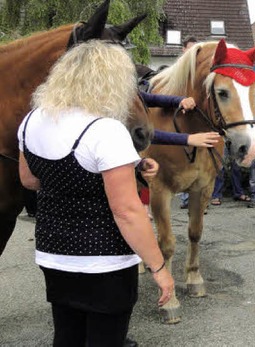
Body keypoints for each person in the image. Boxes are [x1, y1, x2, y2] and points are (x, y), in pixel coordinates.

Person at [17, 40, 174, 347]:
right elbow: (127, 212)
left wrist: (131, 168)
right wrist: (159, 267)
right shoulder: (105, 130)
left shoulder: (31, 120)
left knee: (67, 335)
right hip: (104, 262)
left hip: (53, 254)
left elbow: (29, 180)